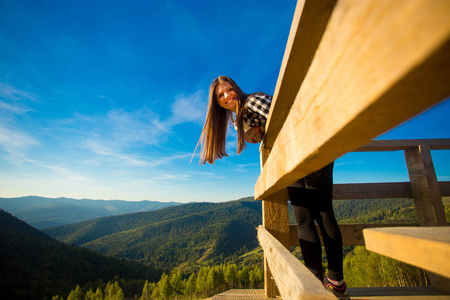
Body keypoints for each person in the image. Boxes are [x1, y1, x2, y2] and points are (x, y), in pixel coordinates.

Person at [195, 75, 349, 300]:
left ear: (236, 88)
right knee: (303, 218)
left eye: (229, 90)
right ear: (217, 103)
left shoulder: (252, 102)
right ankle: (315, 283)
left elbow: (290, 117)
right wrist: (258, 132)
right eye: (221, 95)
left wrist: (261, 129)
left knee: (323, 213)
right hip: (289, 158)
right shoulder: (240, 119)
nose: (227, 96)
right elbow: (271, 130)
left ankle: (336, 282)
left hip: (310, 145)